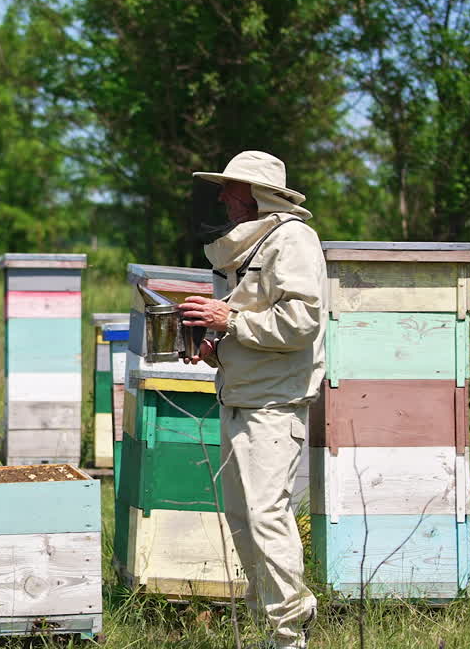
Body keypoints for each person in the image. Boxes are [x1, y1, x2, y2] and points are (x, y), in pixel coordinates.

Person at [179, 151, 324, 649]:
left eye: (230, 187)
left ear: (258, 194)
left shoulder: (293, 240)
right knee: (244, 519)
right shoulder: (240, 248)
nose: (221, 196)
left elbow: (304, 322)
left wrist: (230, 323)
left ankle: (292, 629)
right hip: (239, 396)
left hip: (274, 403)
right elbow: (245, 317)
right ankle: (276, 627)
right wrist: (213, 343)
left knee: (266, 515)